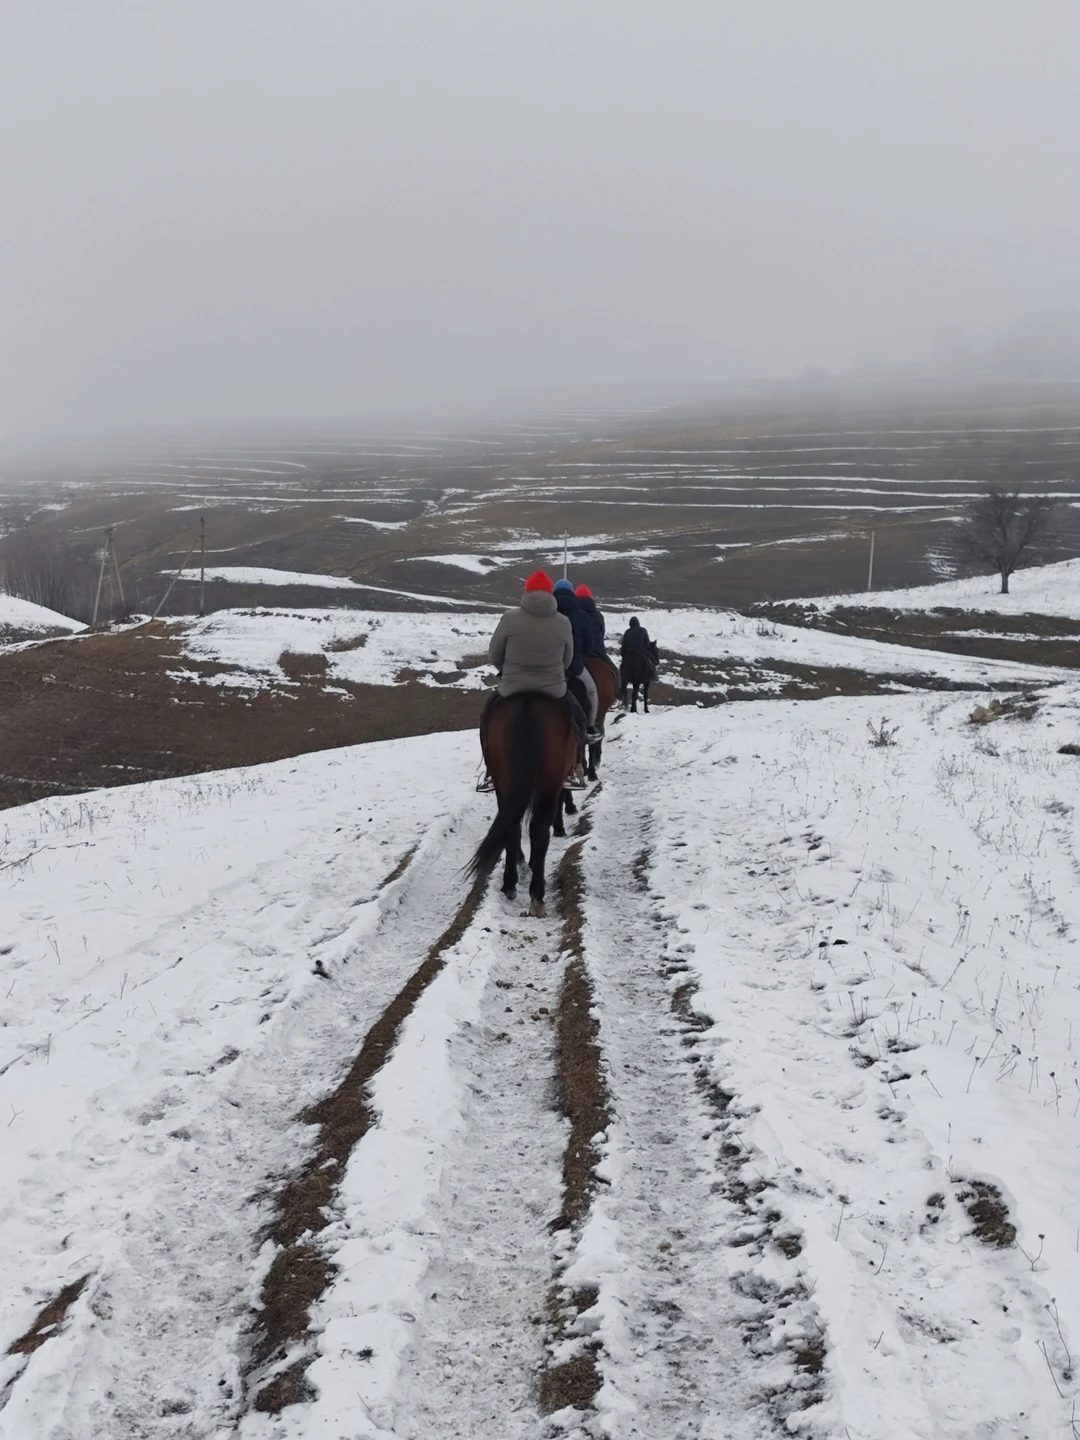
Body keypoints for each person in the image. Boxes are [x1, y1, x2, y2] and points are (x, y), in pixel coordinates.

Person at [480, 569, 588, 788]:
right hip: (553, 689)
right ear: (550, 594)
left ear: (527, 592)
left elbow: (494, 654)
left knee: (487, 718)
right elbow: (567, 659)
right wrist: (554, 674)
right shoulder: (563, 622)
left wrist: (507, 672)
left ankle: (491, 771)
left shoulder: (509, 618)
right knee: (579, 719)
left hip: (512, 687)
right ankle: (573, 769)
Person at [552, 578, 599, 735]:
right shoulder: (581, 615)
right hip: (575, 666)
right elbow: (589, 643)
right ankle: (590, 726)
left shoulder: (550, 613)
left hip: (551, 665)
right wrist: (580, 658)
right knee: (591, 692)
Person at [575, 583, 620, 684]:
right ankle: (619, 690)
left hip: (579, 653)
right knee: (614, 672)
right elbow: (602, 633)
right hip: (598, 652)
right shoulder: (598, 615)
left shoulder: (575, 614)